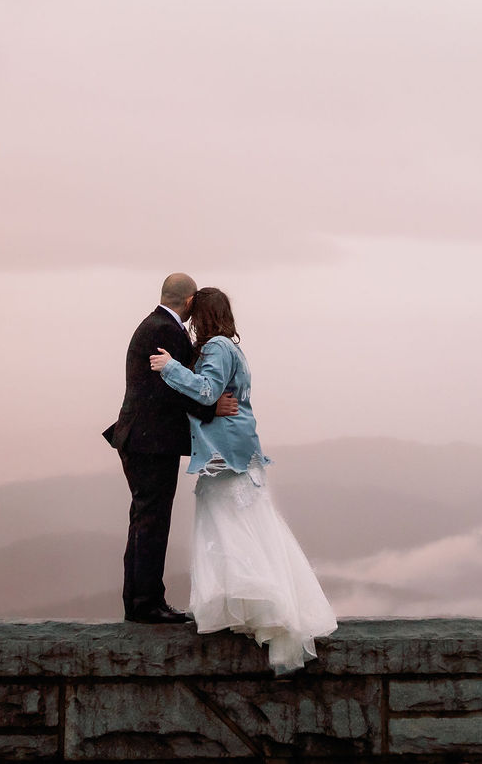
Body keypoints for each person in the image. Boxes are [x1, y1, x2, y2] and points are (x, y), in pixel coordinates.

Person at [149, 286, 337, 673]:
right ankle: (257, 607)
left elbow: (207, 390)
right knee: (248, 522)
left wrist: (170, 367)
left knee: (229, 524)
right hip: (237, 447)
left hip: (226, 452)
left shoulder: (216, 347)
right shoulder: (233, 347)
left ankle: (258, 603)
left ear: (202, 315)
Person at [103, 273, 239, 623]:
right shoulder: (164, 328)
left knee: (144, 519)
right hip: (150, 442)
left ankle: (141, 601)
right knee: (152, 521)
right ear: (191, 301)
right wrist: (212, 407)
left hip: (142, 439)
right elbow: (171, 389)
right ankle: (147, 604)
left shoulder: (155, 324)